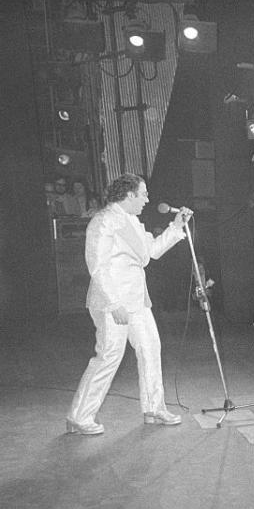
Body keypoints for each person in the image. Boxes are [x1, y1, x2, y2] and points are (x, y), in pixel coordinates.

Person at [67, 173, 193, 435]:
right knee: (109, 356)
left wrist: (176, 226)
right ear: (129, 194)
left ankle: (154, 408)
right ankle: (79, 416)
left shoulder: (133, 221)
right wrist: (114, 304)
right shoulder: (103, 221)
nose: (147, 199)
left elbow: (153, 251)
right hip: (112, 301)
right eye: (144, 194)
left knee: (150, 348)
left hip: (137, 300)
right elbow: (97, 267)